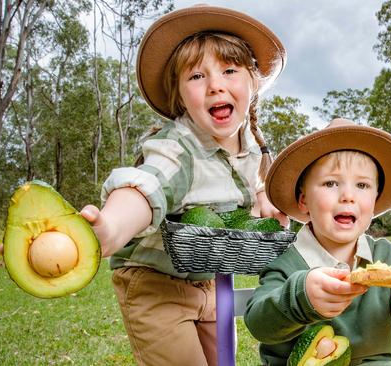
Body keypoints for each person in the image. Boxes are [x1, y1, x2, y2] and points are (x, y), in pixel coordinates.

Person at [79, 5, 288, 366]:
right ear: (179, 96)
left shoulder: (252, 147)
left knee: (224, 360)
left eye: (229, 70)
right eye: (196, 77)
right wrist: (112, 227)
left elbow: (254, 185)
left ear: (252, 83)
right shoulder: (180, 148)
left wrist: (264, 197)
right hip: (154, 284)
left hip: (209, 280)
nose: (215, 85)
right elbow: (149, 184)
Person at [244, 118, 391, 365]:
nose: (348, 196)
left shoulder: (387, 255)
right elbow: (259, 323)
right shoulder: (283, 260)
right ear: (304, 200)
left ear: (375, 200)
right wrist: (300, 297)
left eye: (362, 185)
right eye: (330, 183)